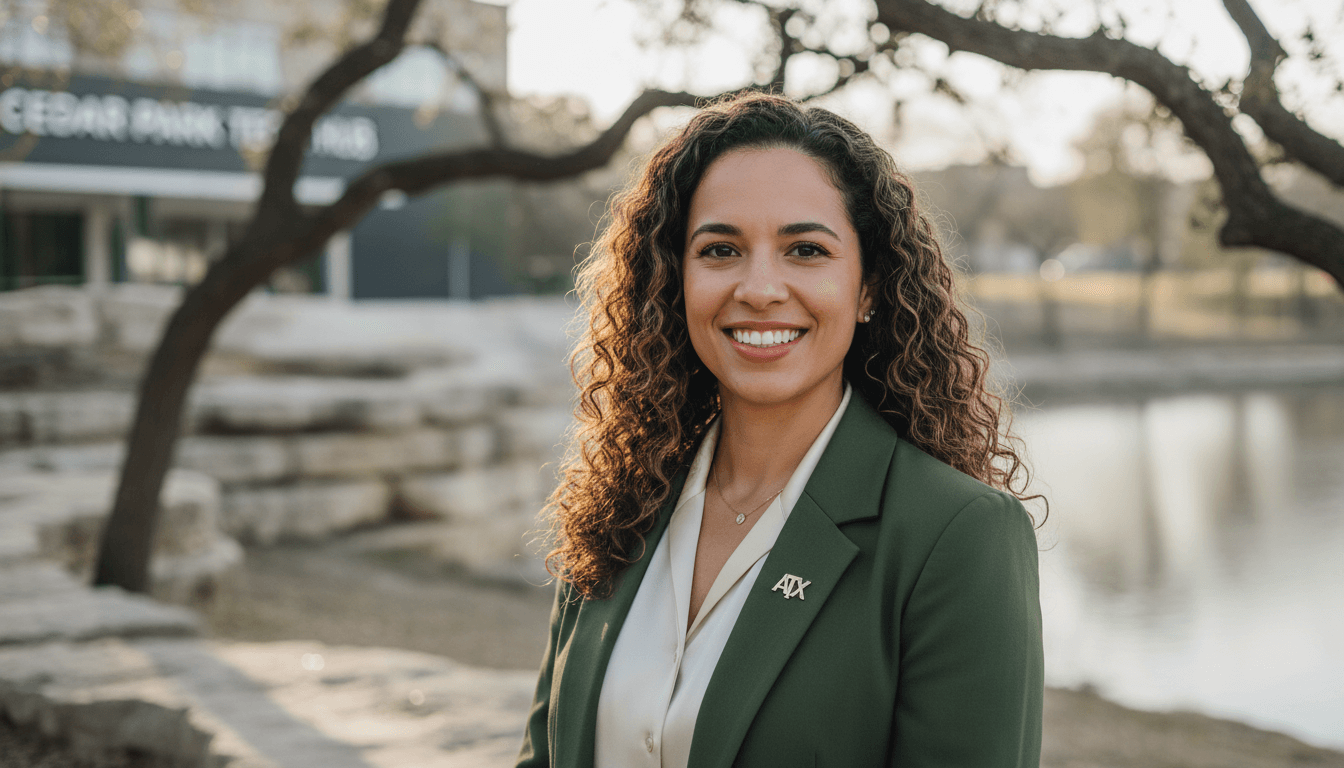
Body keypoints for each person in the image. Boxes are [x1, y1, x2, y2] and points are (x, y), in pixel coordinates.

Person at [516, 91, 1043, 768]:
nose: (760, 288)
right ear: (675, 279)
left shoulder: (958, 537)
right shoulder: (621, 501)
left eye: (805, 250)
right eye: (720, 249)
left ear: (868, 287)